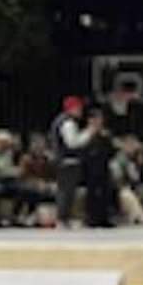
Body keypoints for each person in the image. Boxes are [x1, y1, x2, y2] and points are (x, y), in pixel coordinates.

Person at [48, 95, 87, 228]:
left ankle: (64, 218)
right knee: (66, 192)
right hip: (67, 161)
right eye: (79, 108)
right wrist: (89, 133)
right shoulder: (68, 123)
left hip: (63, 161)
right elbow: (73, 143)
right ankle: (62, 219)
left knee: (66, 191)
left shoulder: (61, 121)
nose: (81, 111)